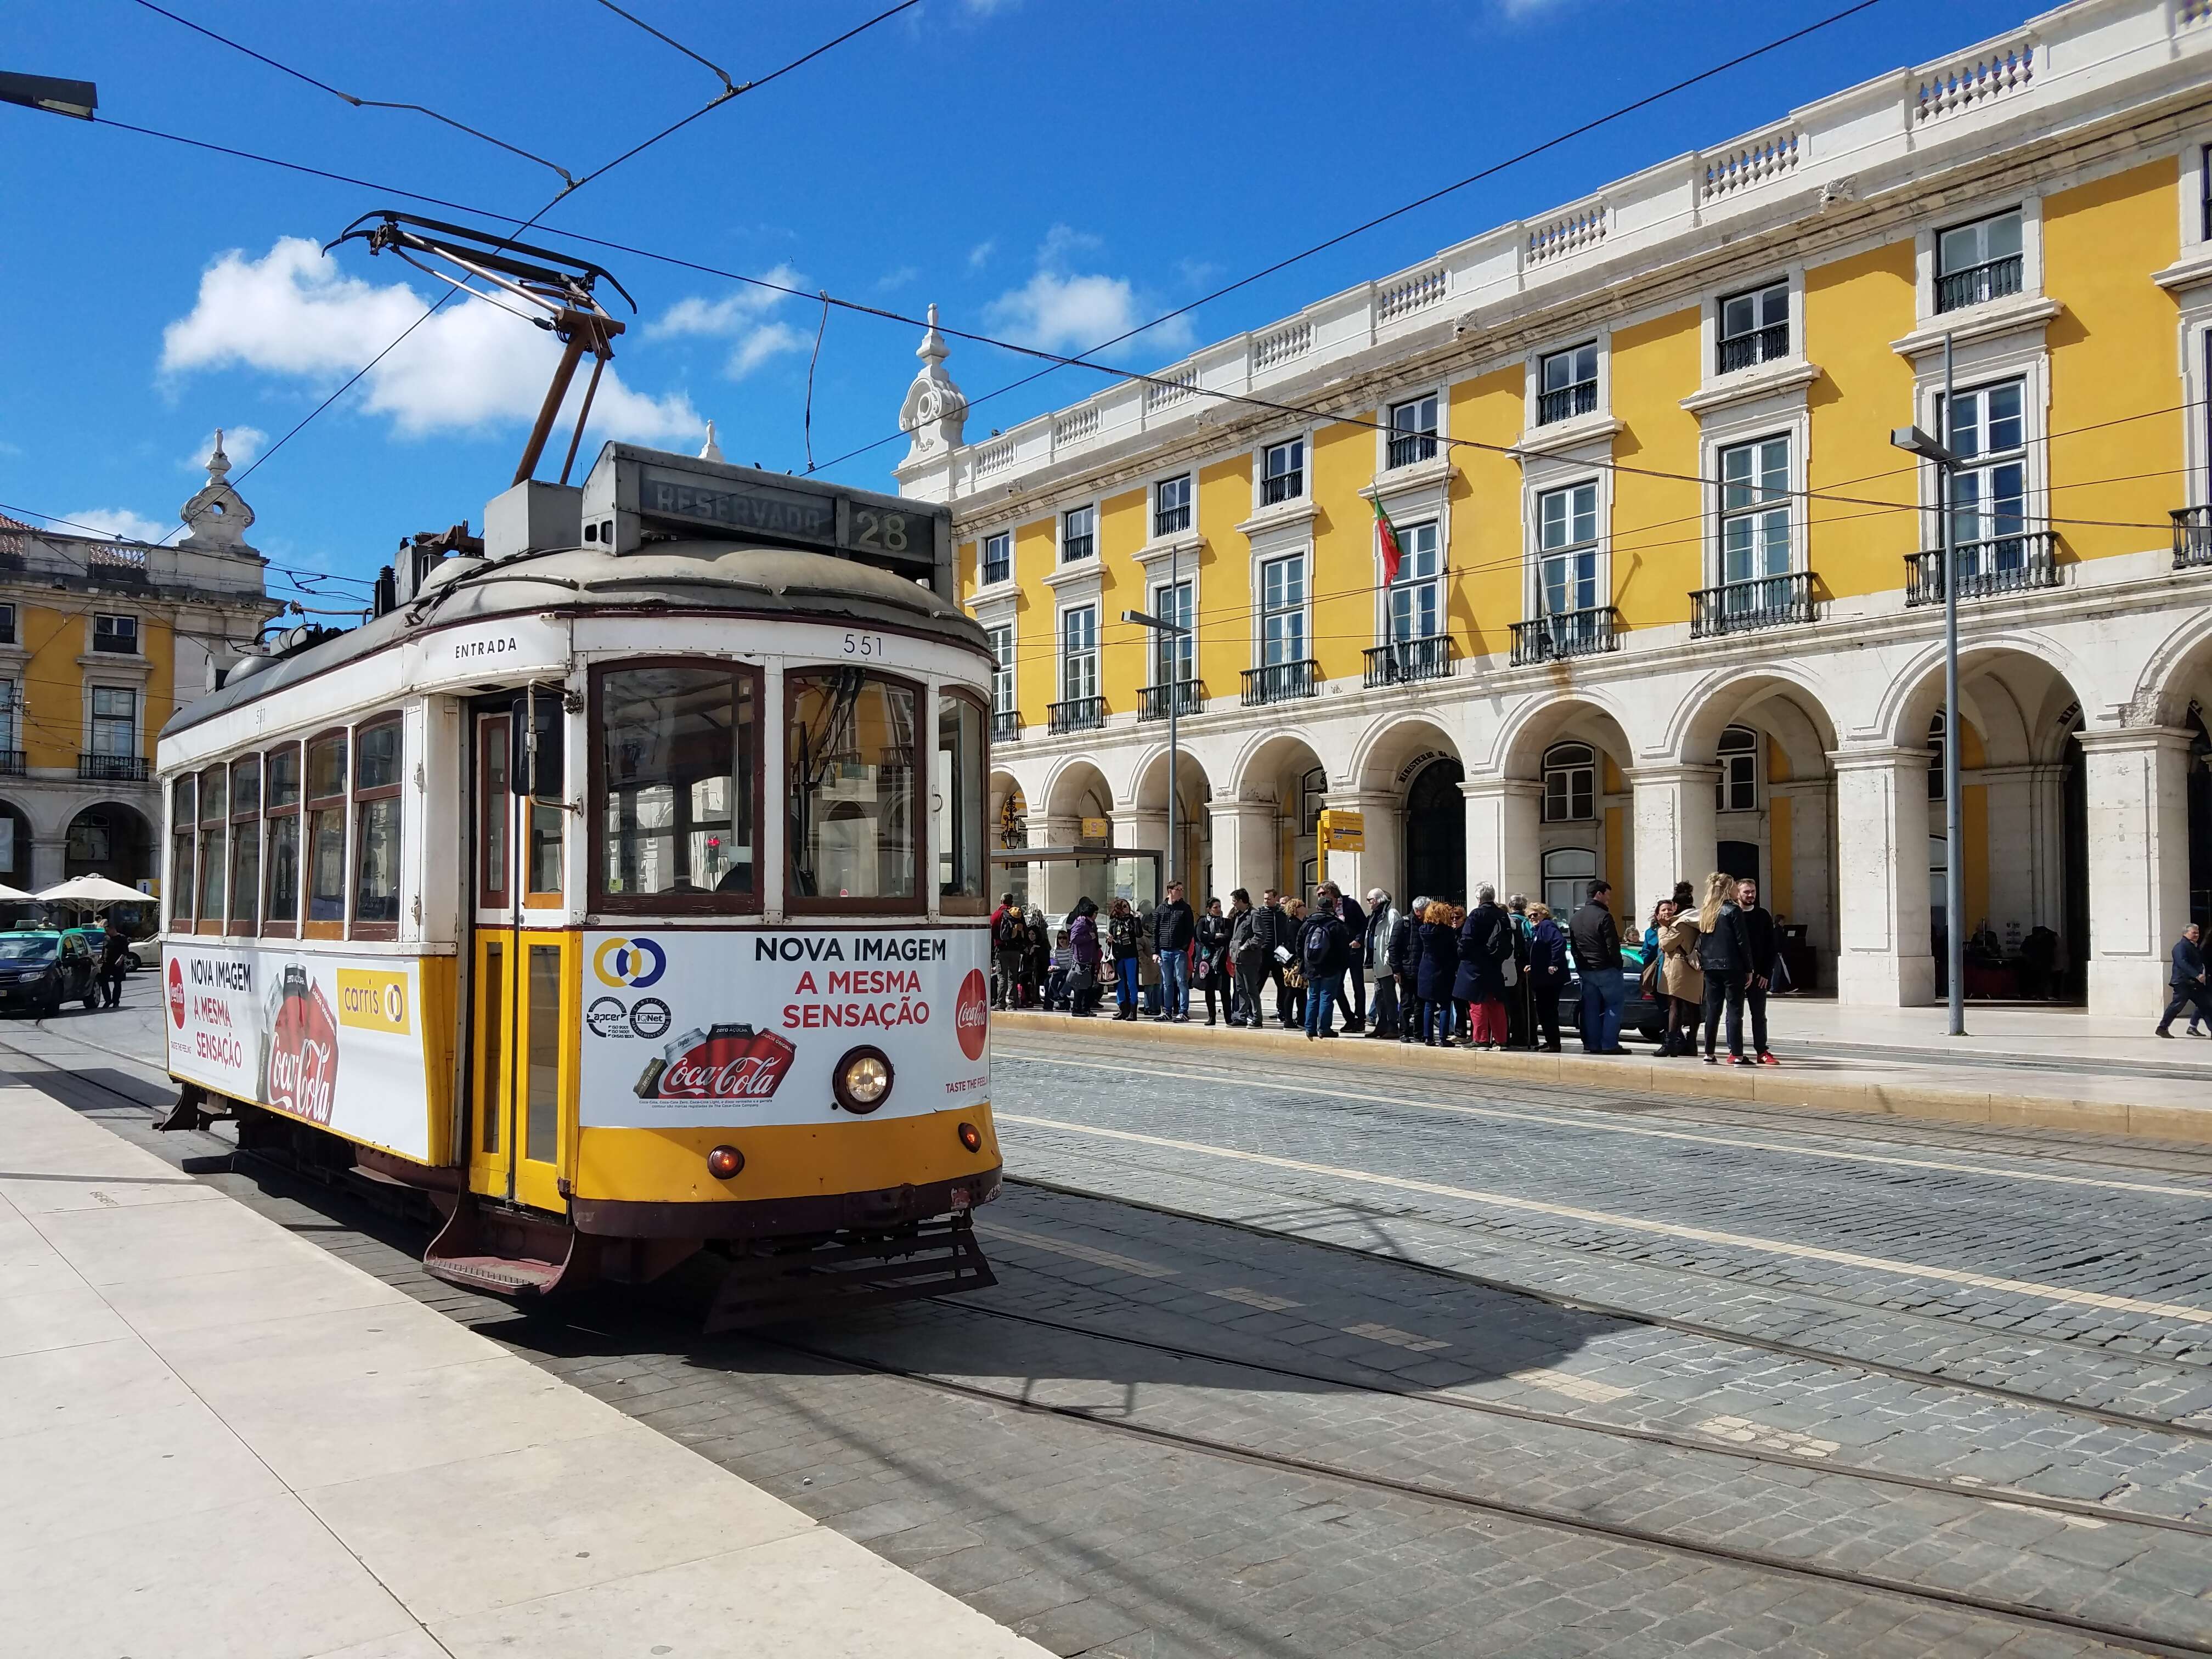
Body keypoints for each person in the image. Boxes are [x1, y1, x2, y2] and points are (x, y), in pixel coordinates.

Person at [1568, 879, 1626, 1054]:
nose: (1609, 899)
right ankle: (1610, 1044)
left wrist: (1580, 966)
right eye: (1608, 895)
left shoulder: (1576, 917)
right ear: (1599, 894)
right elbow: (1613, 946)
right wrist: (1618, 965)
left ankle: (1592, 1044)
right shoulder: (1604, 916)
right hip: (1606, 969)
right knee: (1614, 1004)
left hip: (1586, 970)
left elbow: (1574, 947)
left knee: (1590, 1007)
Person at [1695, 872, 1745, 1063]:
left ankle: (1709, 1052)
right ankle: (1738, 1053)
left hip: (1710, 966)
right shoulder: (1733, 910)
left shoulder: (1707, 911)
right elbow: (1742, 942)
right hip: (1732, 966)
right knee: (1734, 1010)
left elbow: (1702, 941)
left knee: (1713, 1010)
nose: (1736, 890)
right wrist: (1749, 968)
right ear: (1727, 889)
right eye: (1733, 887)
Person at [1455, 884, 1511, 1049]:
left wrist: (1460, 952)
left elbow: (1467, 939)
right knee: (1496, 1002)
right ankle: (1501, 1039)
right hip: (1495, 963)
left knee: (1477, 1002)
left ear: (1479, 898)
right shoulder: (1502, 914)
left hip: (1476, 964)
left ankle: (1481, 1039)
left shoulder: (1477, 914)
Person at [1731, 876, 1779, 1064]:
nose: (1751, 895)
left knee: (1759, 1015)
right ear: (1738, 894)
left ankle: (1762, 1051)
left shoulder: (1763, 915)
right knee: (1735, 1014)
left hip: (1759, 975)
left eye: (1753, 892)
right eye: (1747, 892)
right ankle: (1735, 1051)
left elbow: (1771, 947)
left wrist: (1766, 973)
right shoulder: (1732, 914)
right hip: (1736, 974)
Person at [1298, 891, 1350, 1040]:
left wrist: (1303, 963)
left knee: (1313, 997)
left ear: (1317, 907)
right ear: (1332, 909)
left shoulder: (1308, 924)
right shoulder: (1337, 925)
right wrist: (1342, 966)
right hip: (1331, 968)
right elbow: (1343, 949)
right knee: (1326, 997)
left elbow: (1299, 944)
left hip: (1312, 967)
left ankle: (1310, 1028)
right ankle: (1325, 1028)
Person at [1657, 897, 1704, 1057]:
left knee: (1674, 1005)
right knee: (1693, 1006)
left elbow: (1666, 945)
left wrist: (1663, 928)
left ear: (1677, 906)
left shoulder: (1680, 924)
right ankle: (1692, 1043)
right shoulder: (1699, 921)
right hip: (1695, 967)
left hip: (1678, 967)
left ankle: (1670, 1044)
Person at [1416, 899, 1460, 1046]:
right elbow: (1454, 952)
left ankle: (1428, 1037)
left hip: (1426, 970)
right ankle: (1443, 1038)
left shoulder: (1423, 930)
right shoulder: (1447, 932)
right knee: (1445, 1005)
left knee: (1429, 1005)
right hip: (1444, 971)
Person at [1324, 883, 1368, 1032]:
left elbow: (1364, 924)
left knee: (1358, 986)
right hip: (1338, 953)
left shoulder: (1350, 904)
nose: (1321, 897)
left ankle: (1360, 1019)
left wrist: (1359, 940)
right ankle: (1349, 1018)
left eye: (1323, 893)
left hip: (1354, 950)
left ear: (1332, 893)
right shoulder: (1326, 908)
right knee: (1337, 986)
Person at [2156, 922, 2210, 1037]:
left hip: (2195, 984)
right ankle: (2162, 1028)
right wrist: (2197, 975)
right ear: (2186, 933)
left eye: (2198, 933)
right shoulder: (2180, 947)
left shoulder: (2193, 947)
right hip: (2183, 983)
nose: (2197, 935)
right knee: (2176, 1006)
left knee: (2206, 1006)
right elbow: (2182, 963)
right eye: (2194, 933)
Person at [1152, 880, 1195, 1023]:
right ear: (1170, 891)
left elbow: (1190, 931)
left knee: (1182, 981)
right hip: (1164, 951)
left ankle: (1183, 1011)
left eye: (1182, 889)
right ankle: (1167, 1011)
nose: (1181, 892)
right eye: (1178, 889)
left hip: (1179, 951)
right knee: (1167, 983)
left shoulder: (1185, 908)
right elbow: (1155, 931)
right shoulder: (1160, 909)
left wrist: (1184, 948)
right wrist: (1155, 952)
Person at [1526, 900, 1566, 1052]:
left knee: (1548, 1011)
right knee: (1544, 1010)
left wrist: (1553, 963)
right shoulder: (1539, 930)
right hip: (1543, 978)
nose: (1532, 918)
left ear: (1543, 914)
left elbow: (1559, 943)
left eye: (1535, 914)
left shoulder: (1547, 926)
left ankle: (1554, 1043)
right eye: (1530, 916)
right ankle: (1550, 1041)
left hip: (1550, 979)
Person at [1362, 888, 1401, 1039]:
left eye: (1370, 900)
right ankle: (1382, 1025)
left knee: (1389, 996)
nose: (1368, 903)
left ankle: (1393, 1026)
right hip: (1377, 962)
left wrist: (1389, 956)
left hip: (1386, 962)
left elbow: (1394, 937)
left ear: (1378, 900)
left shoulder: (1391, 914)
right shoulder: (1375, 916)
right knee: (1379, 996)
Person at [1229, 889, 1268, 1029]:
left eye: (1234, 901)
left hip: (1250, 959)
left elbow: (1261, 935)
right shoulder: (1239, 915)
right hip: (1238, 959)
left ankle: (1257, 1018)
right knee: (1240, 989)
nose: (1233, 903)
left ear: (1241, 901)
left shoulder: (1254, 915)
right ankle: (1241, 1016)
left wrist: (1247, 945)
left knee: (1251, 989)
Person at [1389, 895, 1424, 1044]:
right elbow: (1393, 948)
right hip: (1406, 970)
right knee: (1406, 1003)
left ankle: (1419, 1032)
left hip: (1421, 971)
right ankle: (1404, 1032)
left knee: (1420, 1004)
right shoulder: (1403, 924)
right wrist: (1396, 970)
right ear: (1418, 911)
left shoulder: (1426, 923)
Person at [1197, 895, 1233, 1026]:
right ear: (1209, 909)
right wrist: (1216, 936)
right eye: (1215, 907)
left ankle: (1229, 1017)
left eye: (1219, 907)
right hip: (1207, 959)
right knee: (1209, 989)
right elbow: (1201, 937)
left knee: (1225, 990)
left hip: (1222, 959)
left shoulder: (1226, 922)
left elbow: (1227, 937)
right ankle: (1212, 1017)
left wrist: (1210, 937)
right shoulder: (1202, 922)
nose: (1218, 910)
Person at [1105, 898, 1141, 1021]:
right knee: (1119, 983)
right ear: (1119, 908)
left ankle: (1133, 1011)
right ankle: (1123, 1009)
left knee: (1132, 983)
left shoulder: (1132, 920)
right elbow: (1110, 938)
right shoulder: (1114, 922)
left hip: (1131, 955)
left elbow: (1139, 934)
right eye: (1124, 906)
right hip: (1118, 956)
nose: (1127, 908)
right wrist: (1109, 939)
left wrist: (1137, 919)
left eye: (1128, 906)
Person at [990, 895, 1028, 1011]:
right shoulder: (1017, 913)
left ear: (1001, 901)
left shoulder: (996, 915)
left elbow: (991, 933)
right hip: (1015, 950)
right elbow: (1025, 930)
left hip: (1001, 950)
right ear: (1012, 901)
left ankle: (1001, 1003)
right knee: (1013, 977)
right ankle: (1012, 1003)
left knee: (1002, 977)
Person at [1068, 898, 1102, 1017]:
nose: (1097, 915)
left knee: (1089, 986)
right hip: (1082, 960)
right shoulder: (1081, 922)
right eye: (1096, 913)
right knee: (1080, 986)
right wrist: (1089, 937)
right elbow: (1074, 939)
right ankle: (1077, 1009)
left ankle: (1086, 1008)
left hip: (1091, 958)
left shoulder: (1091, 923)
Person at [1283, 898, 1309, 1027]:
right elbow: (1295, 945)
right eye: (1302, 906)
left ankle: (1301, 1018)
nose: (1305, 907)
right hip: (1294, 963)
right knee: (1292, 991)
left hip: (1298, 962)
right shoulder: (1294, 924)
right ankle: (1288, 1020)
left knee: (1302, 992)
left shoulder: (1302, 922)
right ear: (1296, 909)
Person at [99, 914, 132, 1008]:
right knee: (104, 982)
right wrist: (101, 958)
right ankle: (108, 1000)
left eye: (108, 930)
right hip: (106, 963)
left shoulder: (122, 938)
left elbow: (125, 951)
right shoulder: (106, 938)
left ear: (113, 929)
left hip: (118, 964)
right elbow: (104, 949)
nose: (106, 932)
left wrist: (121, 960)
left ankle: (116, 1001)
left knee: (117, 983)